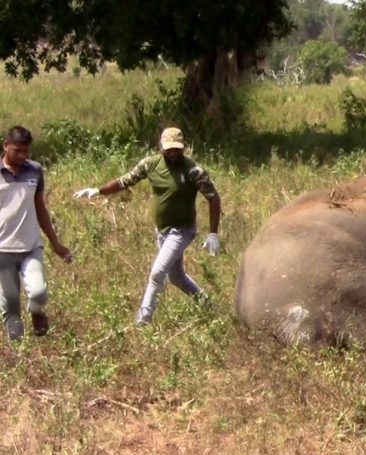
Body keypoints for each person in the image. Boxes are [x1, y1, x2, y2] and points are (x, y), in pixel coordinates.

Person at [74, 127, 221, 324]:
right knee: (176, 277)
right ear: (161, 147)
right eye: (169, 149)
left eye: (177, 149)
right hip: (162, 230)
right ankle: (208, 305)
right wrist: (98, 191)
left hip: (182, 230)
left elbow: (213, 198)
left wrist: (213, 233)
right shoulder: (150, 164)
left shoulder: (193, 170)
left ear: (183, 148)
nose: (173, 153)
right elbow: (125, 181)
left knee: (158, 272)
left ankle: (143, 320)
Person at [0, 126, 73, 341]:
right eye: (17, 151)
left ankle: (37, 312)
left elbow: (40, 208)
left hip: (30, 246)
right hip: (3, 250)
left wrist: (56, 244)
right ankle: (18, 355)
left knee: (39, 293)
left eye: (26, 151)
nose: (22, 156)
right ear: (6, 146)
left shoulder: (34, 170)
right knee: (11, 306)